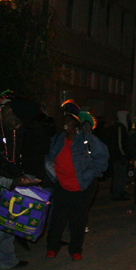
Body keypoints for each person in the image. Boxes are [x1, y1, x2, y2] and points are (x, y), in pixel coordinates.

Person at [44, 110, 109, 259]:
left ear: (75, 125)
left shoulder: (87, 139)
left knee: (78, 219)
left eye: (68, 122)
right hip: (62, 185)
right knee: (57, 218)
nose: (65, 124)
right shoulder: (57, 139)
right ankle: (52, 247)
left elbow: (102, 156)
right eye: (63, 121)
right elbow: (48, 158)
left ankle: (75, 249)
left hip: (83, 185)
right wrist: (55, 176)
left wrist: (93, 173)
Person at [0, 97, 42, 270]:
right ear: (8, 111)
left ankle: (7, 261)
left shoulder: (12, 129)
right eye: (17, 122)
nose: (18, 127)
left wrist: (20, 176)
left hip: (6, 183)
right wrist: (12, 181)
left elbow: (12, 158)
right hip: (4, 181)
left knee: (7, 223)